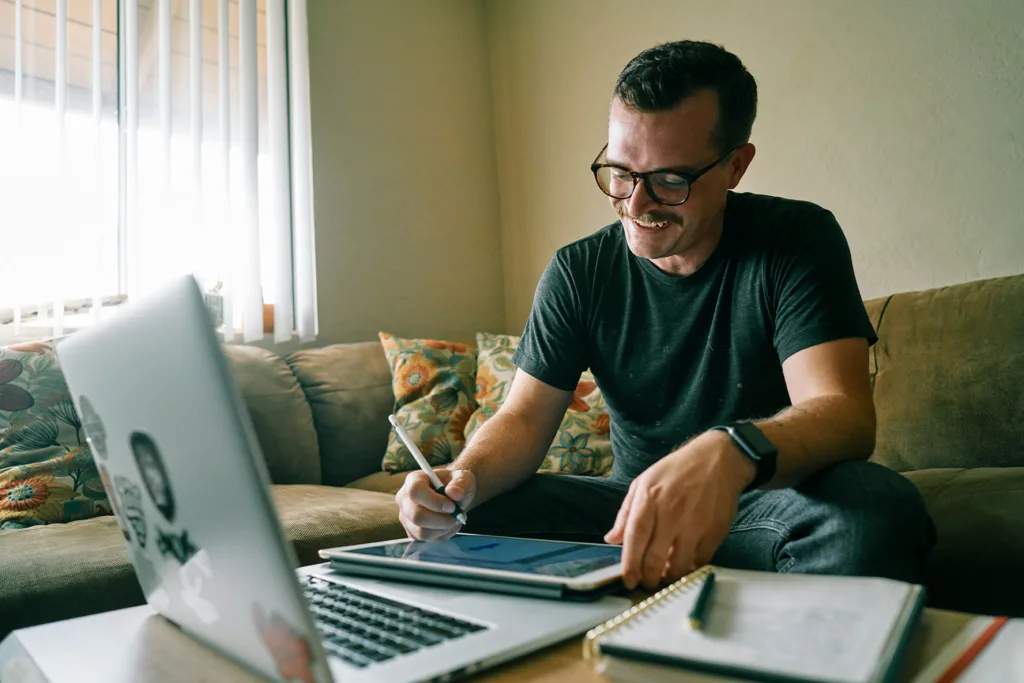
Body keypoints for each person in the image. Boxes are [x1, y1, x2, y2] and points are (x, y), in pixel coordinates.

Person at [395, 40, 934, 591]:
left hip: (767, 508)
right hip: (626, 514)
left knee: (875, 510)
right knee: (470, 519)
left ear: (735, 167)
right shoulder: (578, 270)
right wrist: (460, 483)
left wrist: (733, 450)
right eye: (621, 172)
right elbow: (525, 418)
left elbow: (842, 413)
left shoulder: (796, 239)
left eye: (670, 181)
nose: (635, 204)